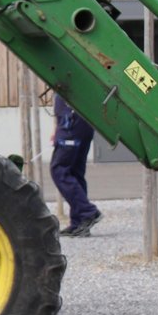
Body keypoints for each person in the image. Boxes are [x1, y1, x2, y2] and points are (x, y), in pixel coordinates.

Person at [51, 94, 101, 237]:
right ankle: (79, 223)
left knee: (59, 170)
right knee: (74, 172)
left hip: (71, 122)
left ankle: (88, 212)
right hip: (80, 122)